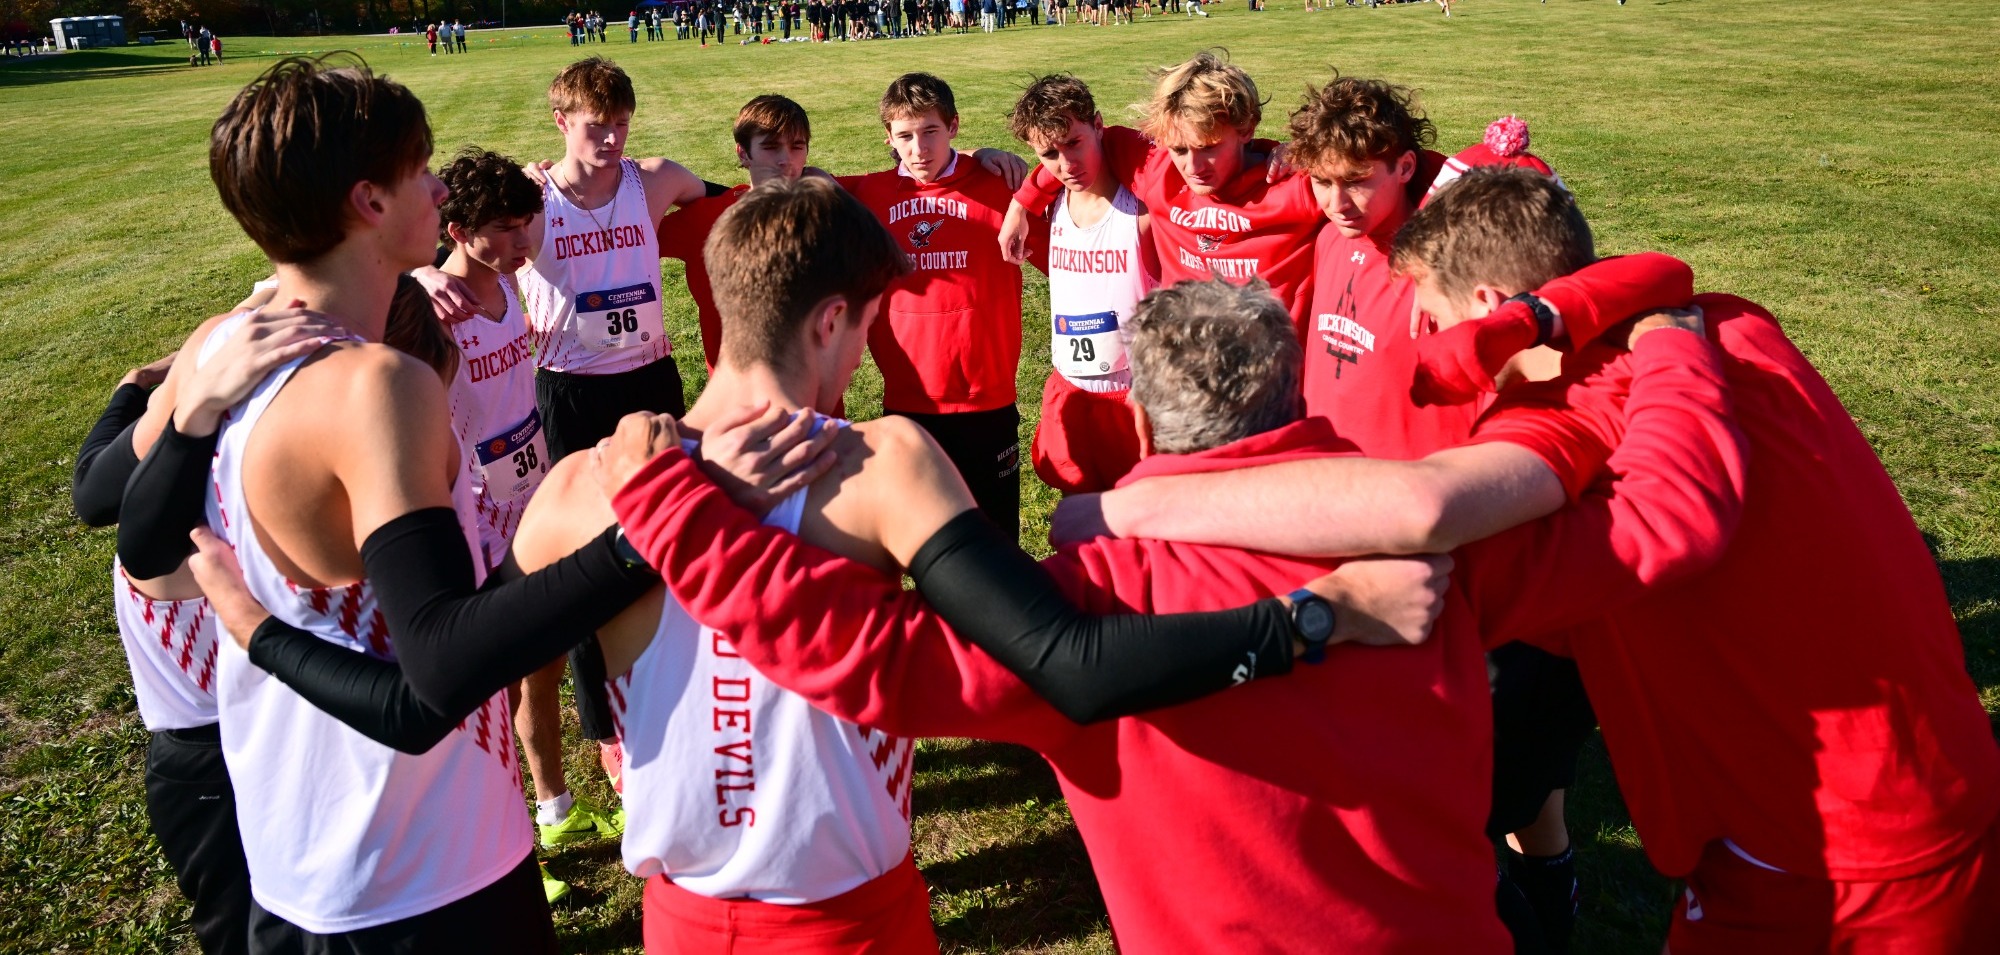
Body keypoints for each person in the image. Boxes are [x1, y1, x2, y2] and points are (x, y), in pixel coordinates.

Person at [594, 254, 1740, 951]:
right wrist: (1659, 342)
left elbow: (853, 651)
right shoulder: (1445, 546)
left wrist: (670, 504)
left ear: (1139, 423)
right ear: (1293, 387)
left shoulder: (1081, 600)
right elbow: (1660, 523)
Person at [1073, 166, 2000, 954]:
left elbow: (1423, 510)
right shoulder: (1727, 324)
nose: (1430, 346)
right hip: (1913, 784)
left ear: (1488, 308)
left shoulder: (1601, 393)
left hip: (1832, 848)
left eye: (1428, 319)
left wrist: (1120, 508)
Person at [113, 56, 648, 950]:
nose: (440, 188)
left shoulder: (230, 346)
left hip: (305, 861)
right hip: (417, 873)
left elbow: (138, 537)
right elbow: (435, 671)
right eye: (421, 169)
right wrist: (639, 534)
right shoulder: (375, 387)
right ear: (369, 201)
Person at [414, 55, 718, 798]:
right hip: (569, 391)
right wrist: (422, 276)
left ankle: (672, 683)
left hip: (649, 378)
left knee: (668, 535)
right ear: (561, 123)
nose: (610, 138)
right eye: (594, 125)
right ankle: (605, 728)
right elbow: (445, 246)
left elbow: (739, 195)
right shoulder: (536, 196)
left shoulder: (658, 180)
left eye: (620, 122)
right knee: (576, 559)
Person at [72, 328, 331, 955]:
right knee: (249, 929)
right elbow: (99, 487)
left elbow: (99, 470)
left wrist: (144, 380)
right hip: (216, 760)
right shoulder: (186, 541)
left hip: (228, 750)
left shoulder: (172, 517)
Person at [999, 54, 1320, 331]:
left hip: (1273, 388)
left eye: (1207, 148)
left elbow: (1361, 176)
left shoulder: (1297, 188)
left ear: (1246, 129)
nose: (1192, 166)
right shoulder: (1159, 170)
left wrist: (1307, 153)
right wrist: (1021, 205)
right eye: (1179, 148)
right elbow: (1080, 146)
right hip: (1183, 385)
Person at [844, 73, 1029, 532]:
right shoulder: (867, 197)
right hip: (911, 399)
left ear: (954, 127)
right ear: (888, 139)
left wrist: (986, 160)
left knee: (998, 533)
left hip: (986, 398)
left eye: (931, 132)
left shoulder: (1000, 188)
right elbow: (797, 181)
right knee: (924, 537)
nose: (919, 149)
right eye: (905, 136)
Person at [1006, 74, 1155, 495]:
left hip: (1136, 396)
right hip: (1071, 389)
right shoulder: (1049, 207)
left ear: (1100, 125)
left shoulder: (1142, 210)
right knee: (1078, 524)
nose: (1066, 165)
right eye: (1049, 153)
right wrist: (1019, 198)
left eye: (1074, 142)